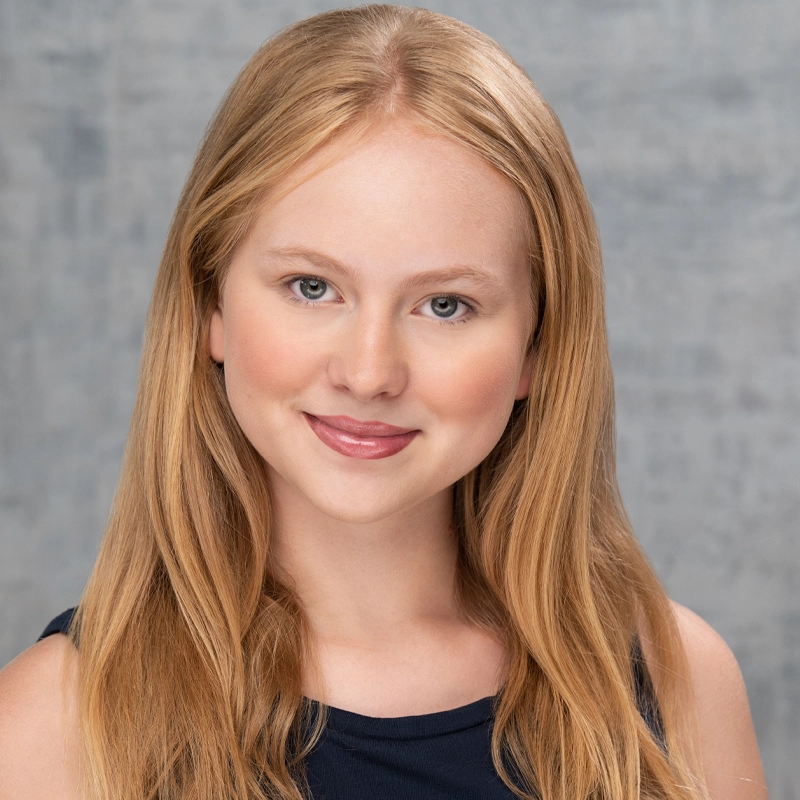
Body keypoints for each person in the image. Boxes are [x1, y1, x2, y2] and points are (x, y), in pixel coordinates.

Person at [0, 5, 767, 799]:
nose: (369, 374)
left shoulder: (676, 684)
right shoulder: (50, 730)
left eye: (445, 305)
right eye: (312, 287)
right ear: (210, 307)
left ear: (539, 346)